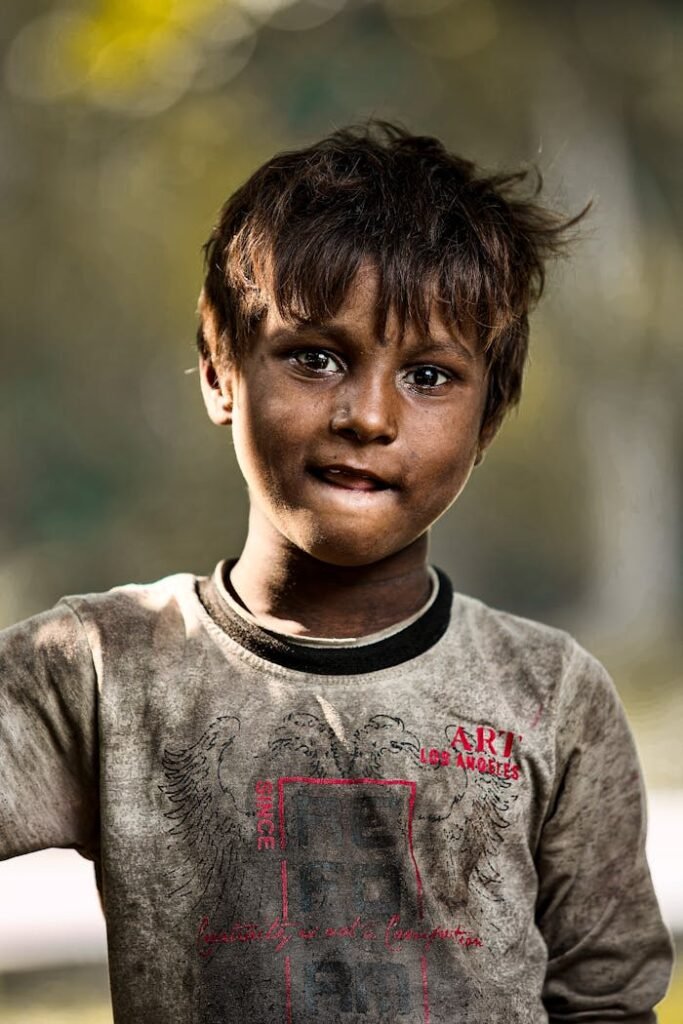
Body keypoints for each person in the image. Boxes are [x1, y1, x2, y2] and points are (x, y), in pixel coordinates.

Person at [0, 122, 672, 1023]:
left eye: (430, 375)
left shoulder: (548, 694)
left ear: (489, 418)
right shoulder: (96, 669)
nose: (367, 415)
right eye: (314, 358)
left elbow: (606, 997)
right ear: (220, 366)